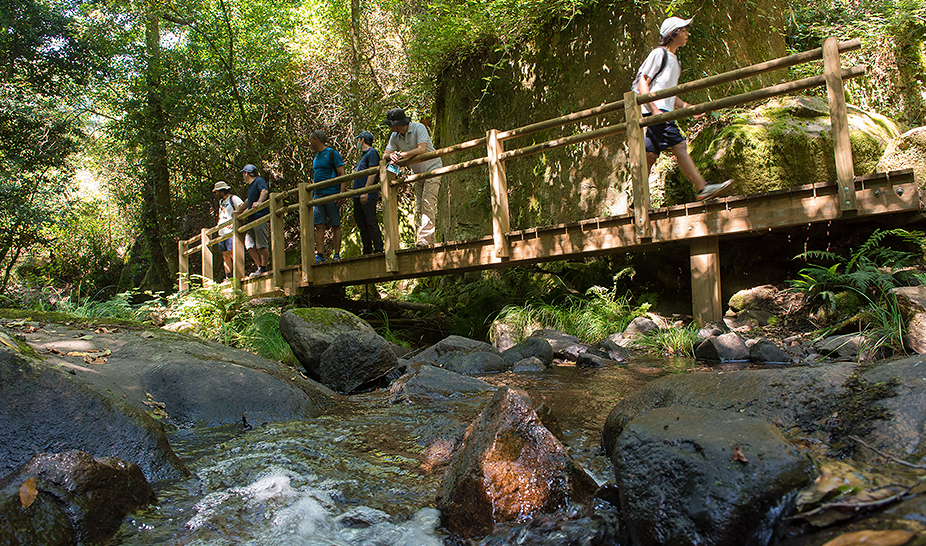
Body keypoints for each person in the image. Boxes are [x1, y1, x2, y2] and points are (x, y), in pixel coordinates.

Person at [632, 16, 733, 201]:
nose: (687, 34)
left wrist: (688, 108)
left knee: (650, 154)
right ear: (673, 33)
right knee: (679, 145)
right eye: (684, 30)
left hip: (663, 111)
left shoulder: (675, 61)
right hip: (658, 112)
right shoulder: (659, 54)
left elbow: (670, 95)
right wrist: (654, 109)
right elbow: (642, 85)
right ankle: (702, 188)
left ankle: (635, 202)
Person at [383, 108, 443, 247]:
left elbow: (422, 149)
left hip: (432, 168)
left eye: (391, 125)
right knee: (421, 207)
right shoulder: (395, 136)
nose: (390, 128)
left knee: (428, 203)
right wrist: (390, 156)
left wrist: (401, 155)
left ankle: (423, 239)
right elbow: (386, 153)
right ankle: (429, 242)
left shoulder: (418, 128)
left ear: (397, 124)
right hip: (417, 173)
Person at [310, 130, 347, 262]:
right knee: (319, 225)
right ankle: (320, 254)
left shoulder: (332, 153)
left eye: (311, 140)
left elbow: (342, 173)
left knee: (335, 224)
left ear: (317, 139)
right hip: (318, 195)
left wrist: (341, 193)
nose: (310, 143)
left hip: (332, 193)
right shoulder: (316, 157)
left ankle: (336, 254)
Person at [234, 164, 270, 277]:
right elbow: (247, 200)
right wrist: (239, 211)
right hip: (251, 220)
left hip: (260, 217)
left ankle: (263, 267)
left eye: (243, 174)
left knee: (261, 243)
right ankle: (259, 267)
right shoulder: (250, 187)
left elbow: (264, 191)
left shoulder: (259, 181)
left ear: (246, 173)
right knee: (249, 244)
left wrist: (259, 202)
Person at [352, 131, 384, 255]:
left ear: (362, 140)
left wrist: (365, 191)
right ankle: (367, 250)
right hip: (358, 194)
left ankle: (378, 249)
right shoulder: (363, 156)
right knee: (361, 223)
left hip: (367, 194)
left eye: (358, 140)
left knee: (370, 221)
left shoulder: (372, 152)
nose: (358, 143)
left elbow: (372, 172)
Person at [212, 181, 244, 281]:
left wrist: (235, 223)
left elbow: (242, 209)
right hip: (221, 231)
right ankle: (228, 276)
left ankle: (238, 274)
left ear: (223, 190)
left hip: (230, 231)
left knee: (232, 252)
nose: (216, 194)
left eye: (218, 191)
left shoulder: (233, 199)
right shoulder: (221, 202)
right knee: (225, 255)